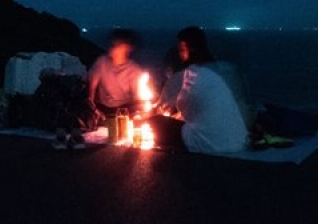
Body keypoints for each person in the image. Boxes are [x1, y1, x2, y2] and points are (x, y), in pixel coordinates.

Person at [150, 26, 249, 154]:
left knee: (157, 123)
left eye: (181, 50)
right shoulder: (218, 70)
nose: (180, 55)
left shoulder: (194, 72)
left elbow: (185, 109)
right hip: (237, 141)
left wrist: (167, 110)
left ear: (192, 49)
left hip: (213, 145)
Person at [87, 28, 145, 117]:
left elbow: (137, 97)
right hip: (102, 109)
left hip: (124, 109)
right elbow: (91, 89)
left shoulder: (134, 70)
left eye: (116, 45)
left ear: (126, 48)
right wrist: (94, 109)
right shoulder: (101, 62)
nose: (111, 48)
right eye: (112, 44)